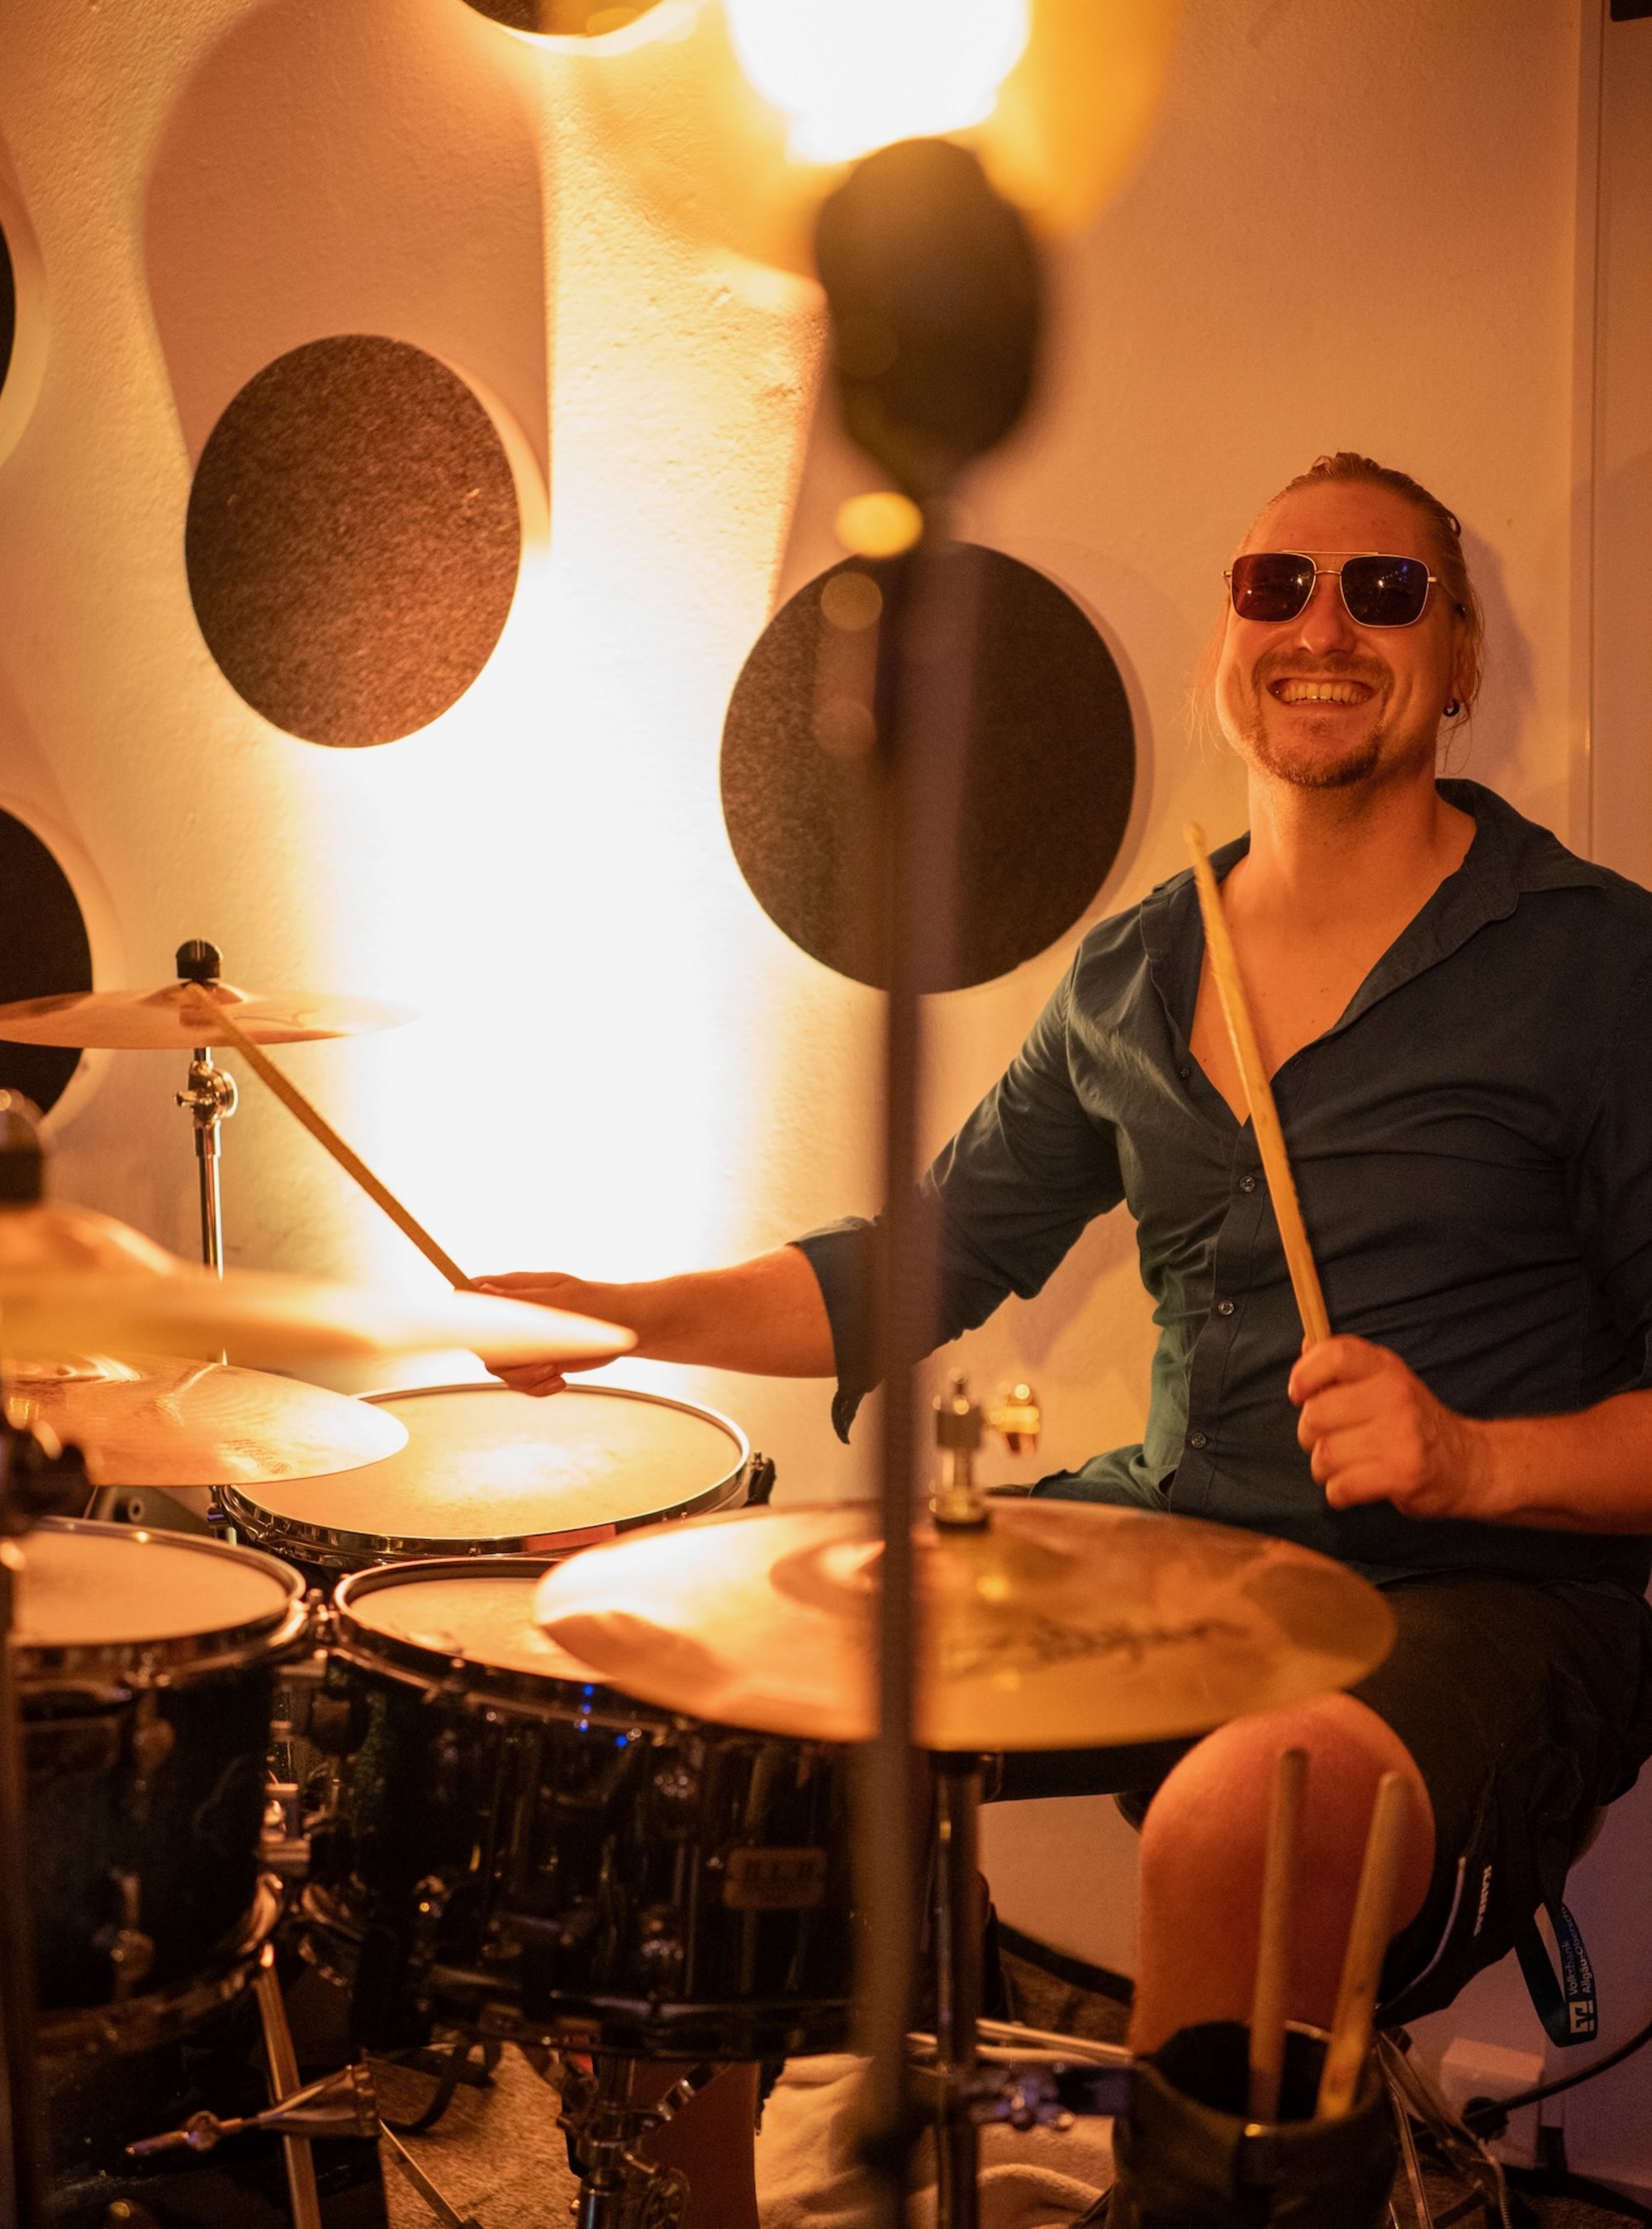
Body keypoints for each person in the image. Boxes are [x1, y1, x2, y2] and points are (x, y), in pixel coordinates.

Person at [483, 453, 1652, 2198]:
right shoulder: (1135, 970)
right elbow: (926, 1258)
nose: (1322, 627)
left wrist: (1470, 1455)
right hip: (1184, 1539)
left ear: (1459, 656)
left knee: (1241, 1818)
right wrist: (633, 1314)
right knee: (707, 1690)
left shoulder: (1596, 965)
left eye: (1384, 590)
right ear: (1228, 645)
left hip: (1483, 1597)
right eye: (1276, 586)